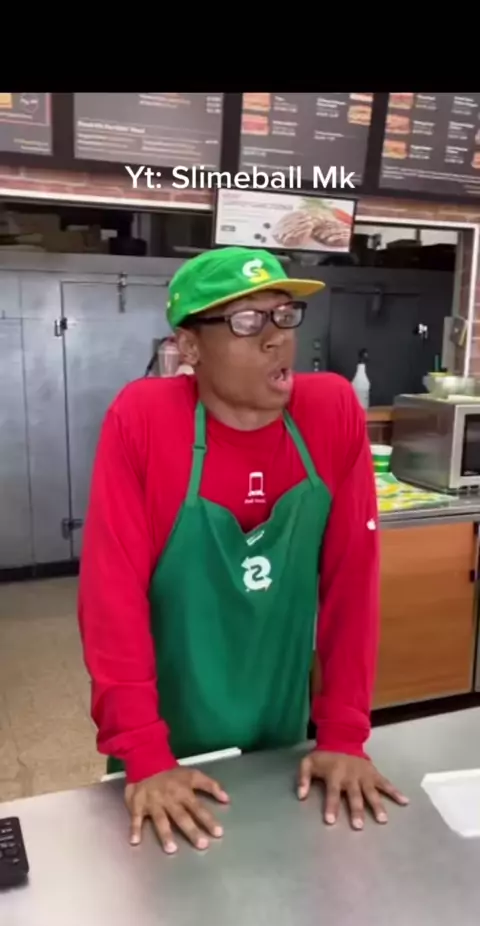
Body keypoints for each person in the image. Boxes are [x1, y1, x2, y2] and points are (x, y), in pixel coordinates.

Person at [78, 245, 408, 855]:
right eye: (246, 320)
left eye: (284, 314)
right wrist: (144, 753)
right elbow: (111, 598)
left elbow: (351, 584)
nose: (276, 337)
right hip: (165, 741)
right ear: (190, 347)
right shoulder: (145, 420)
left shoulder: (331, 411)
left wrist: (343, 734)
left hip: (283, 738)